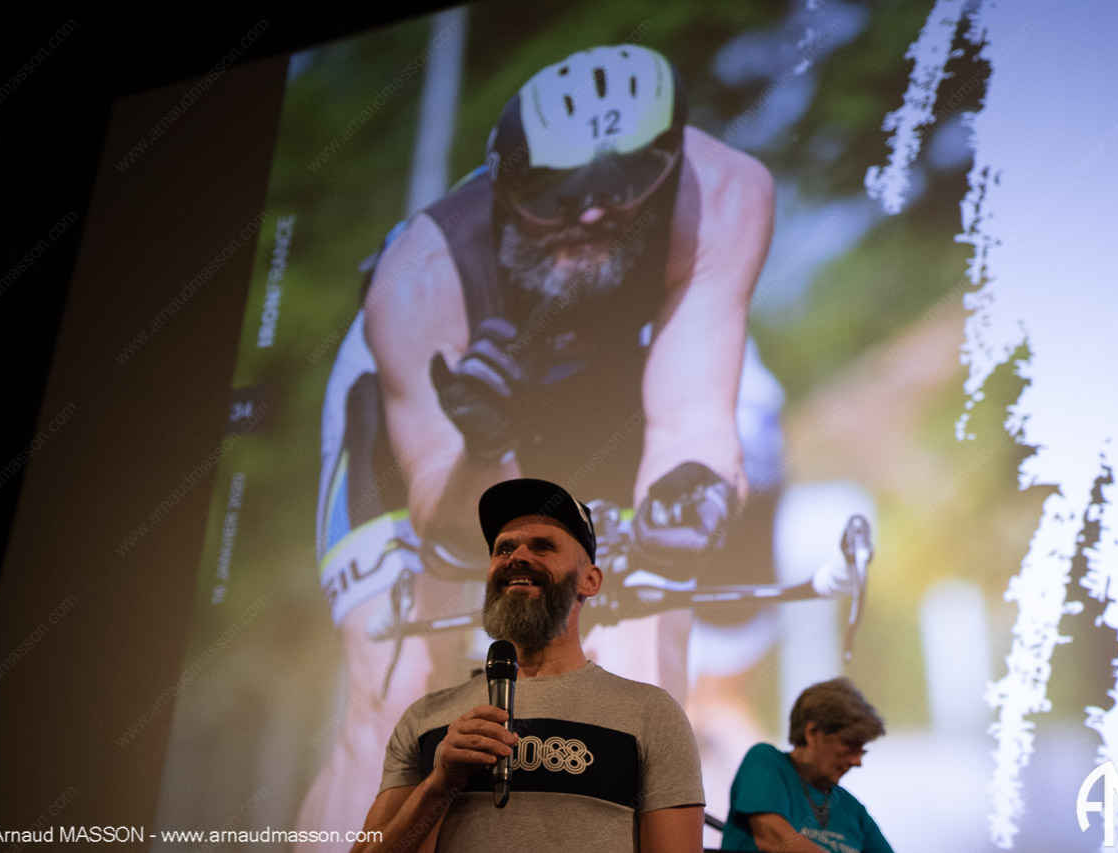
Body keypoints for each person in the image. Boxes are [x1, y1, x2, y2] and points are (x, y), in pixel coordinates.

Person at [304, 43, 785, 837]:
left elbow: (691, 419)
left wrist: (683, 505)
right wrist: (485, 445)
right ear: (505, 183)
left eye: (623, 190)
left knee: (641, 691)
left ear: (668, 164)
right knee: (399, 704)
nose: (590, 215)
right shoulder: (420, 280)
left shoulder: (725, 194)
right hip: (441, 423)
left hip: (597, 393)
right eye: (556, 197)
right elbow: (447, 518)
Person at [350, 478, 705, 853]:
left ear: (590, 580)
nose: (516, 557)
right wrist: (439, 784)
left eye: (542, 546)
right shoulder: (426, 718)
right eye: (504, 548)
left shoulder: (650, 714)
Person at [721, 678, 892, 853]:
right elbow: (774, 840)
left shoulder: (852, 809)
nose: (857, 762)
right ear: (812, 732)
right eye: (849, 746)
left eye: (861, 751)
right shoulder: (766, 762)